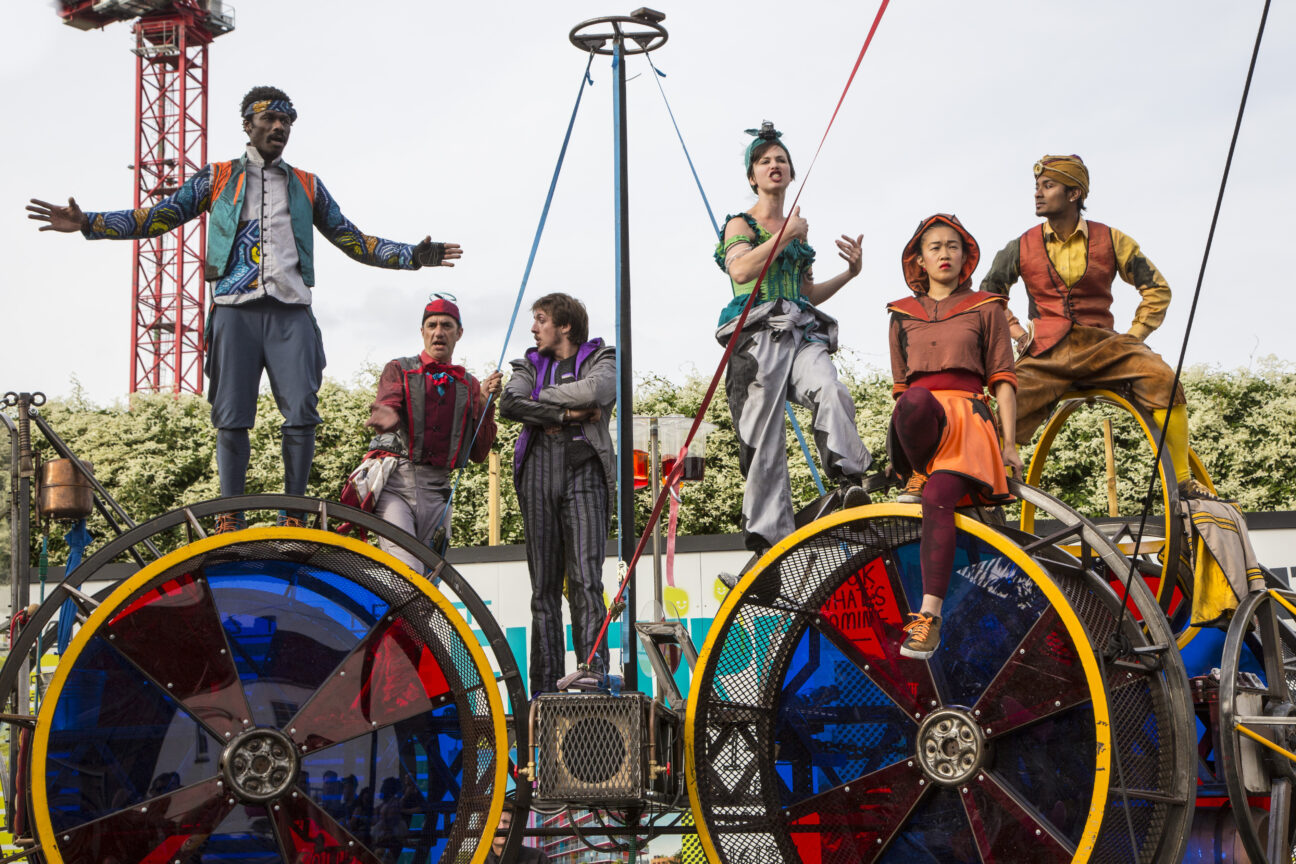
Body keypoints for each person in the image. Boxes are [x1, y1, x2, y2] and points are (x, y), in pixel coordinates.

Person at [27, 85, 462, 531]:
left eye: (286, 121)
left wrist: (413, 255)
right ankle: (229, 514)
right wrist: (89, 223)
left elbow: (354, 240)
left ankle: (293, 512)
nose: (279, 127)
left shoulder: (307, 185)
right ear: (247, 125)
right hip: (234, 307)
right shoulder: (216, 178)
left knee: (302, 412)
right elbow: (156, 217)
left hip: (291, 310)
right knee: (230, 415)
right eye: (270, 119)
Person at [979, 154, 1213, 499]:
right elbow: (988, 298)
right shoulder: (1019, 246)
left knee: (1165, 380)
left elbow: (1157, 289)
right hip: (1046, 352)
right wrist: (1018, 333)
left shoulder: (1113, 240)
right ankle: (987, 489)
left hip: (1103, 346)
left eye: (1048, 186)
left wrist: (1133, 338)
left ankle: (1181, 481)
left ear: (1074, 194)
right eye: (1037, 187)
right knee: (998, 405)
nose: (1037, 194)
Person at [714, 122, 871, 555]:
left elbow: (807, 294)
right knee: (764, 436)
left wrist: (850, 274)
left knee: (829, 387)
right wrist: (786, 235)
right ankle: (770, 537)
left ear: (790, 171)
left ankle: (848, 481)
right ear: (752, 176)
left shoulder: (798, 233)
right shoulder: (740, 225)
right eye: (764, 161)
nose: (774, 165)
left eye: (780, 159)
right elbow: (742, 271)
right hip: (756, 337)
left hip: (799, 330)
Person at [886, 214, 1022, 659]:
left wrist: (1009, 445)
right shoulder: (901, 315)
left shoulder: (987, 307)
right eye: (934, 247)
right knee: (914, 399)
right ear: (919, 260)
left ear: (965, 256)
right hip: (918, 423)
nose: (944, 254)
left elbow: (1003, 377)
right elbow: (902, 389)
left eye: (952, 246)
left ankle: (929, 617)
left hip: (966, 422)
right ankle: (916, 472)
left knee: (938, 500)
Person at [500, 293, 614, 697]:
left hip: (584, 473)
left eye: (541, 319)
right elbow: (509, 402)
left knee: (586, 580)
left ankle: (592, 678)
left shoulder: (603, 358)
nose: (534, 328)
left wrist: (541, 399)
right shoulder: (526, 363)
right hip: (537, 474)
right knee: (543, 589)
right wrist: (568, 415)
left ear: (564, 326)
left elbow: (598, 390)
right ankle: (545, 688)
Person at [359, 294, 500, 569]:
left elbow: (480, 453)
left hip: (438, 490)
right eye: (432, 325)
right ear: (422, 331)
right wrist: (385, 414)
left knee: (429, 580)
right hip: (395, 484)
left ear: (459, 333)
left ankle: (392, 614)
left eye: (446, 325)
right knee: (408, 570)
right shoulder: (398, 369)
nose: (438, 332)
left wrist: (486, 405)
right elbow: (386, 404)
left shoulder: (469, 385)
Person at [485, 799, 551, 863]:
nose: (501, 827)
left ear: (515, 825)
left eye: (506, 821)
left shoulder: (538, 858)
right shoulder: (479, 860)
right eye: (496, 822)